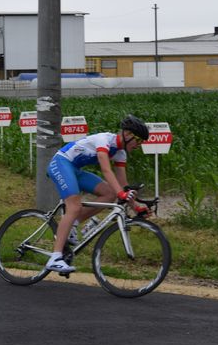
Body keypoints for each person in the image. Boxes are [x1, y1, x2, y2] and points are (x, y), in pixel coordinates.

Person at [45, 114, 150, 273]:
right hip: (61, 163)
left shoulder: (120, 153)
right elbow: (106, 170)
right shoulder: (104, 140)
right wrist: (121, 193)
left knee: (109, 193)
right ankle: (55, 257)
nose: (139, 145)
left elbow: (123, 185)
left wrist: (136, 207)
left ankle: (74, 223)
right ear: (128, 135)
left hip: (75, 170)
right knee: (74, 206)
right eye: (139, 140)